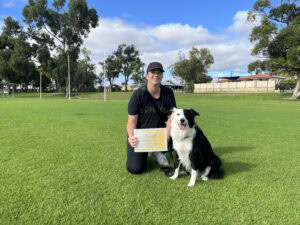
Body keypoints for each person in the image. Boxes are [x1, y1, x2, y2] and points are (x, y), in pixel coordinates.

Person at [126, 62, 176, 175]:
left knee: (181, 130)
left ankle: (158, 150)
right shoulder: (138, 95)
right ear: (147, 75)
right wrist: (131, 137)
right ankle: (150, 151)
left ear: (162, 76)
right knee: (135, 169)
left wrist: (167, 138)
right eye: (153, 72)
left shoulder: (168, 93)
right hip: (140, 136)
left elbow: (170, 118)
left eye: (159, 73)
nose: (156, 75)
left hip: (161, 133)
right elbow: (131, 121)